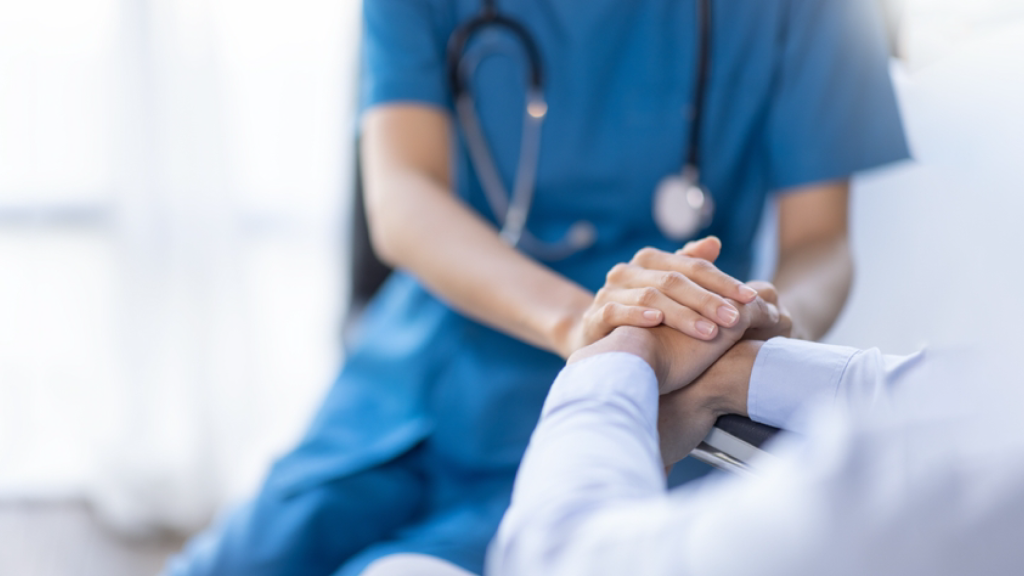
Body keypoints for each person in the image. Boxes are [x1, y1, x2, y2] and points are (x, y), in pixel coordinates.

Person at [165, 1, 908, 574]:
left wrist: (756, 330)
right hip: (431, 367)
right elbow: (402, 198)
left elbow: (820, 244)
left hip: (658, 399)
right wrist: (587, 325)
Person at [484, 319, 1024, 575]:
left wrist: (620, 353)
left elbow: (556, 560)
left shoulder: (940, 494)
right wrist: (740, 371)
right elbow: (967, 395)